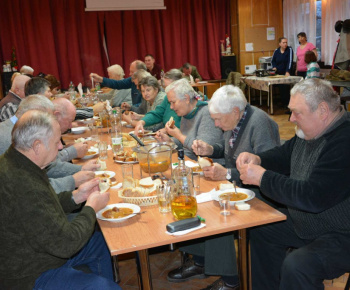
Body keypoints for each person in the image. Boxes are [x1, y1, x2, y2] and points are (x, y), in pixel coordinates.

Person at [236, 78, 350, 290]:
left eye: (297, 112)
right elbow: (285, 154)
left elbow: (313, 197)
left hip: (342, 232)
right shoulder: (312, 131)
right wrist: (258, 159)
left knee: (298, 265)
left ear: (323, 110)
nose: (291, 119)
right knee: (261, 229)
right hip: (312, 222)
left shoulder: (344, 141)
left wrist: (262, 177)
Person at [166, 85, 280, 290]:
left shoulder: (260, 123)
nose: (216, 124)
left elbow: (267, 169)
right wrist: (211, 149)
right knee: (193, 198)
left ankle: (231, 280)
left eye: (218, 119)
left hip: (262, 192)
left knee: (217, 211)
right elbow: (228, 152)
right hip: (238, 184)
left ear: (235, 111)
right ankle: (201, 260)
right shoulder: (234, 121)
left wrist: (227, 174)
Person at [0, 110, 119, 290]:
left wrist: (76, 196)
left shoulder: (16, 162)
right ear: (37, 146)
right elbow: (66, 244)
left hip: (35, 251)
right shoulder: (24, 183)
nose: (61, 147)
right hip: (28, 274)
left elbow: (43, 205)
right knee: (103, 287)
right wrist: (91, 208)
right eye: (56, 142)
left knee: (98, 243)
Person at [0, 95, 97, 193]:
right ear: (32, 116)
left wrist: (79, 170)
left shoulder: (11, 128)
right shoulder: (12, 139)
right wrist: (73, 181)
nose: (52, 123)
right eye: (47, 119)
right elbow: (32, 188)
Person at [155, 78, 223, 161]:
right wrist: (170, 140)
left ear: (186, 99)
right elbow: (186, 142)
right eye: (170, 103)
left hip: (206, 167)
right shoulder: (186, 113)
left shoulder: (207, 113)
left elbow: (201, 149)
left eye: (173, 102)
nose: (171, 107)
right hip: (188, 161)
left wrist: (178, 135)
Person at [134, 69, 182, 135]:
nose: (166, 90)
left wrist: (167, 130)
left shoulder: (184, 100)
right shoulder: (167, 98)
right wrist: (142, 121)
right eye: (165, 87)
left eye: (169, 87)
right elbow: (157, 113)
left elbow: (184, 125)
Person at [271, 37, 294, 108]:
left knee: (286, 88)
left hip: (286, 72)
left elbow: (290, 61)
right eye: (283, 42)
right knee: (281, 88)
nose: (285, 44)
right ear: (280, 44)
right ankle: (283, 102)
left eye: (286, 42)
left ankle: (287, 104)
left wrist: (287, 71)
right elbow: (273, 61)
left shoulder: (289, 49)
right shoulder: (276, 51)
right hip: (278, 72)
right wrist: (274, 67)